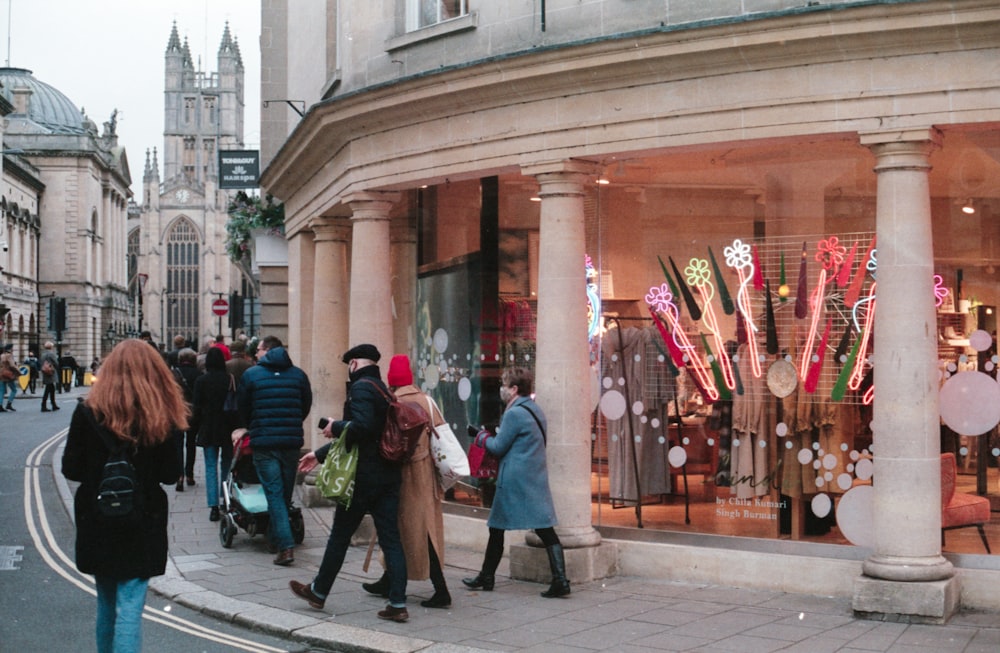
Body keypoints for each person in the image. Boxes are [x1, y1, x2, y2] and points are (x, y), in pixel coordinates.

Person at [61, 339, 189, 653]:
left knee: (106, 602)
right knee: (131, 604)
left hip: (97, 515)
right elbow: (171, 474)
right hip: (142, 517)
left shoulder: (87, 411)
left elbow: (71, 469)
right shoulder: (162, 414)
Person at [289, 343, 410, 623]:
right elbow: (363, 435)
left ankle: (318, 592)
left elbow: (362, 429)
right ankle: (398, 603)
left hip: (364, 478)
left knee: (340, 536)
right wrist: (318, 454)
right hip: (388, 476)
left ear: (354, 364)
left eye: (348, 365)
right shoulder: (383, 389)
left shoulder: (362, 388)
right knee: (391, 539)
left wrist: (336, 426)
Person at [462, 367, 570, 598]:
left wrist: (479, 435)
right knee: (542, 527)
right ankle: (559, 579)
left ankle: (487, 576)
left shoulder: (514, 413)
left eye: (505, 384)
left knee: (498, 527)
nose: (501, 389)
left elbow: (498, 446)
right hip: (533, 476)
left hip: (514, 479)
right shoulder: (535, 410)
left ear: (514, 389)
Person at [361, 354, 452, 608]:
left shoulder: (392, 403)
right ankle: (388, 579)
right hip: (425, 476)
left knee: (406, 529)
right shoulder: (428, 402)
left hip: (400, 474)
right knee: (416, 530)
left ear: (391, 379)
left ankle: (441, 589)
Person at [237, 335, 312, 565]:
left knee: (274, 494)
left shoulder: (251, 375)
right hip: (290, 442)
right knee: (284, 494)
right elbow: (305, 405)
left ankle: (286, 547)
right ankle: (276, 535)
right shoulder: (298, 375)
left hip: (264, 442)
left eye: (259, 349)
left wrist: (252, 426)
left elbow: (243, 407)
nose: (256, 353)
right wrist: (291, 422)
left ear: (267, 350)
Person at [192, 347, 238, 522]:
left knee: (210, 467)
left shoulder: (201, 381)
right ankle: (225, 499)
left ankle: (213, 506)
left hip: (209, 427)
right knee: (226, 465)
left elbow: (196, 407)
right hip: (228, 428)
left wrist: (194, 429)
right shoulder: (230, 379)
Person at [171, 348, 201, 491]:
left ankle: (179, 475)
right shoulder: (198, 374)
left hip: (177, 412)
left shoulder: (173, 374)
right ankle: (190, 474)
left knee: (177, 445)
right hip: (193, 413)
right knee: (190, 444)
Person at [39, 341, 60, 411]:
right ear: (51, 347)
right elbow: (56, 362)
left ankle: (53, 404)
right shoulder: (51, 354)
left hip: (45, 372)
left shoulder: (43, 354)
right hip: (51, 372)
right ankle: (45, 405)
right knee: (49, 389)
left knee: (50, 388)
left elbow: (41, 363)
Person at [0, 344, 18, 411]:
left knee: (1, 391)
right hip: (8, 375)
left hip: (1, 374)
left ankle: (0, 405)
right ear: (10, 349)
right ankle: (9, 404)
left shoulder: (2, 355)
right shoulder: (9, 355)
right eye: (12, 348)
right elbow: (12, 365)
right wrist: (18, 372)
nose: (13, 349)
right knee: (14, 389)